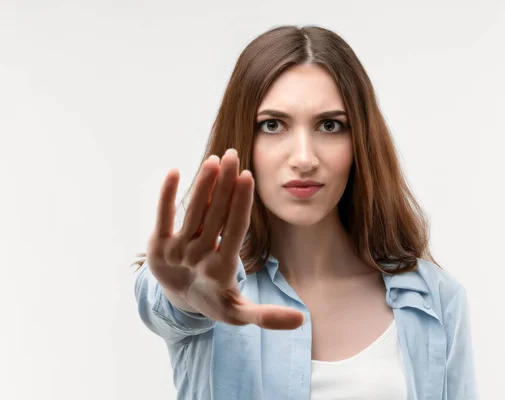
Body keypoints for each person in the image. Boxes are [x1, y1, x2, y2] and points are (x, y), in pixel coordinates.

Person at [132, 25, 478, 400]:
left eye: (330, 125)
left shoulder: (436, 299)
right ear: (243, 138)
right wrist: (183, 298)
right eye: (272, 125)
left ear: (360, 141)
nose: (304, 158)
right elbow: (164, 302)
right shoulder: (209, 284)